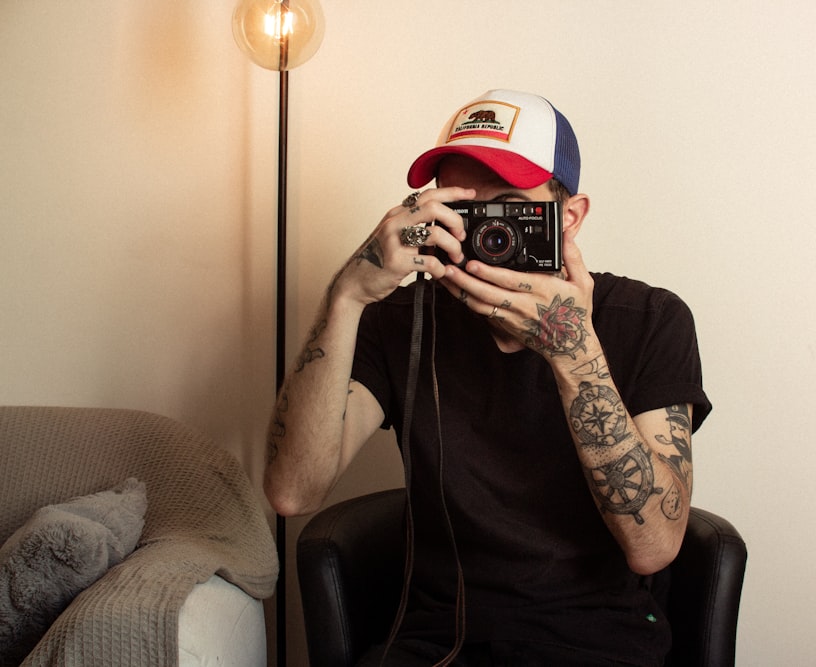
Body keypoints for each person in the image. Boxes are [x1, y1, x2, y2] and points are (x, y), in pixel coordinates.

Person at [264, 89, 711, 666]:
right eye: (462, 207)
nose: (485, 233)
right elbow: (290, 491)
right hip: (435, 639)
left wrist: (573, 351)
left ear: (568, 218)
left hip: (597, 640)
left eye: (507, 207)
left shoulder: (651, 320)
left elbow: (654, 546)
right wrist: (348, 296)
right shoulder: (402, 319)